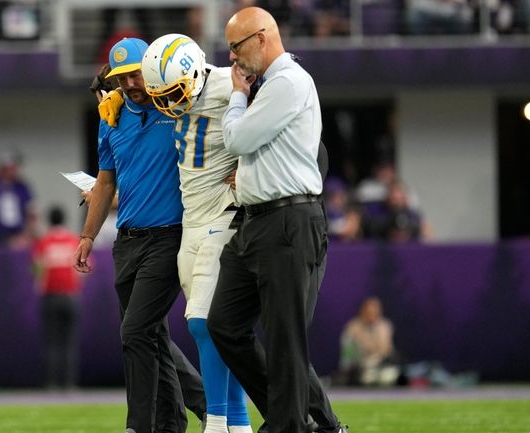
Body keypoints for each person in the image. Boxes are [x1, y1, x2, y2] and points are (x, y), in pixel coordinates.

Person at [206, 7, 346, 433]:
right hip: (255, 222)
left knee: (285, 339)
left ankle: (290, 425)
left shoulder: (288, 81)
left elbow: (239, 138)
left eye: (236, 46)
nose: (232, 58)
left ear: (263, 37)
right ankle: (296, 421)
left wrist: (234, 97)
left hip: (288, 221)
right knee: (223, 325)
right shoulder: (271, 85)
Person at [74, 38, 205, 433]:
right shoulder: (111, 116)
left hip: (170, 237)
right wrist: (86, 236)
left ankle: (139, 426)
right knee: (151, 335)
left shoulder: (180, 105)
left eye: (136, 74)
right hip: (127, 241)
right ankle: (176, 421)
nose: (131, 83)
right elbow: (106, 180)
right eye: (122, 77)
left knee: (135, 331)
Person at [140, 34, 252, 433]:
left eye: (173, 92)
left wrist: (253, 167)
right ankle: (237, 424)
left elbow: (278, 118)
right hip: (192, 219)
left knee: (204, 322)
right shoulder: (176, 97)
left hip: (227, 210)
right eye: (162, 95)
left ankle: (218, 422)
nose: (168, 103)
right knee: (219, 329)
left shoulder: (229, 82)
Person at [31, 206, 82, 389]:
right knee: (69, 341)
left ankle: (52, 382)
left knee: (52, 340)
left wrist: (41, 285)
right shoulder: (73, 241)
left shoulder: (44, 242)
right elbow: (84, 268)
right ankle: (69, 383)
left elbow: (38, 268)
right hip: (70, 296)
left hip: (51, 296)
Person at [335, 297, 400, 387]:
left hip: (380, 365)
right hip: (360, 367)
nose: (371, 315)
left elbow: (386, 350)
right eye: (368, 312)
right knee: (365, 378)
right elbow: (347, 353)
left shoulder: (385, 326)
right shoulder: (352, 328)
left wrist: (374, 361)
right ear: (362, 312)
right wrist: (348, 368)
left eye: (374, 312)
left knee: (389, 376)